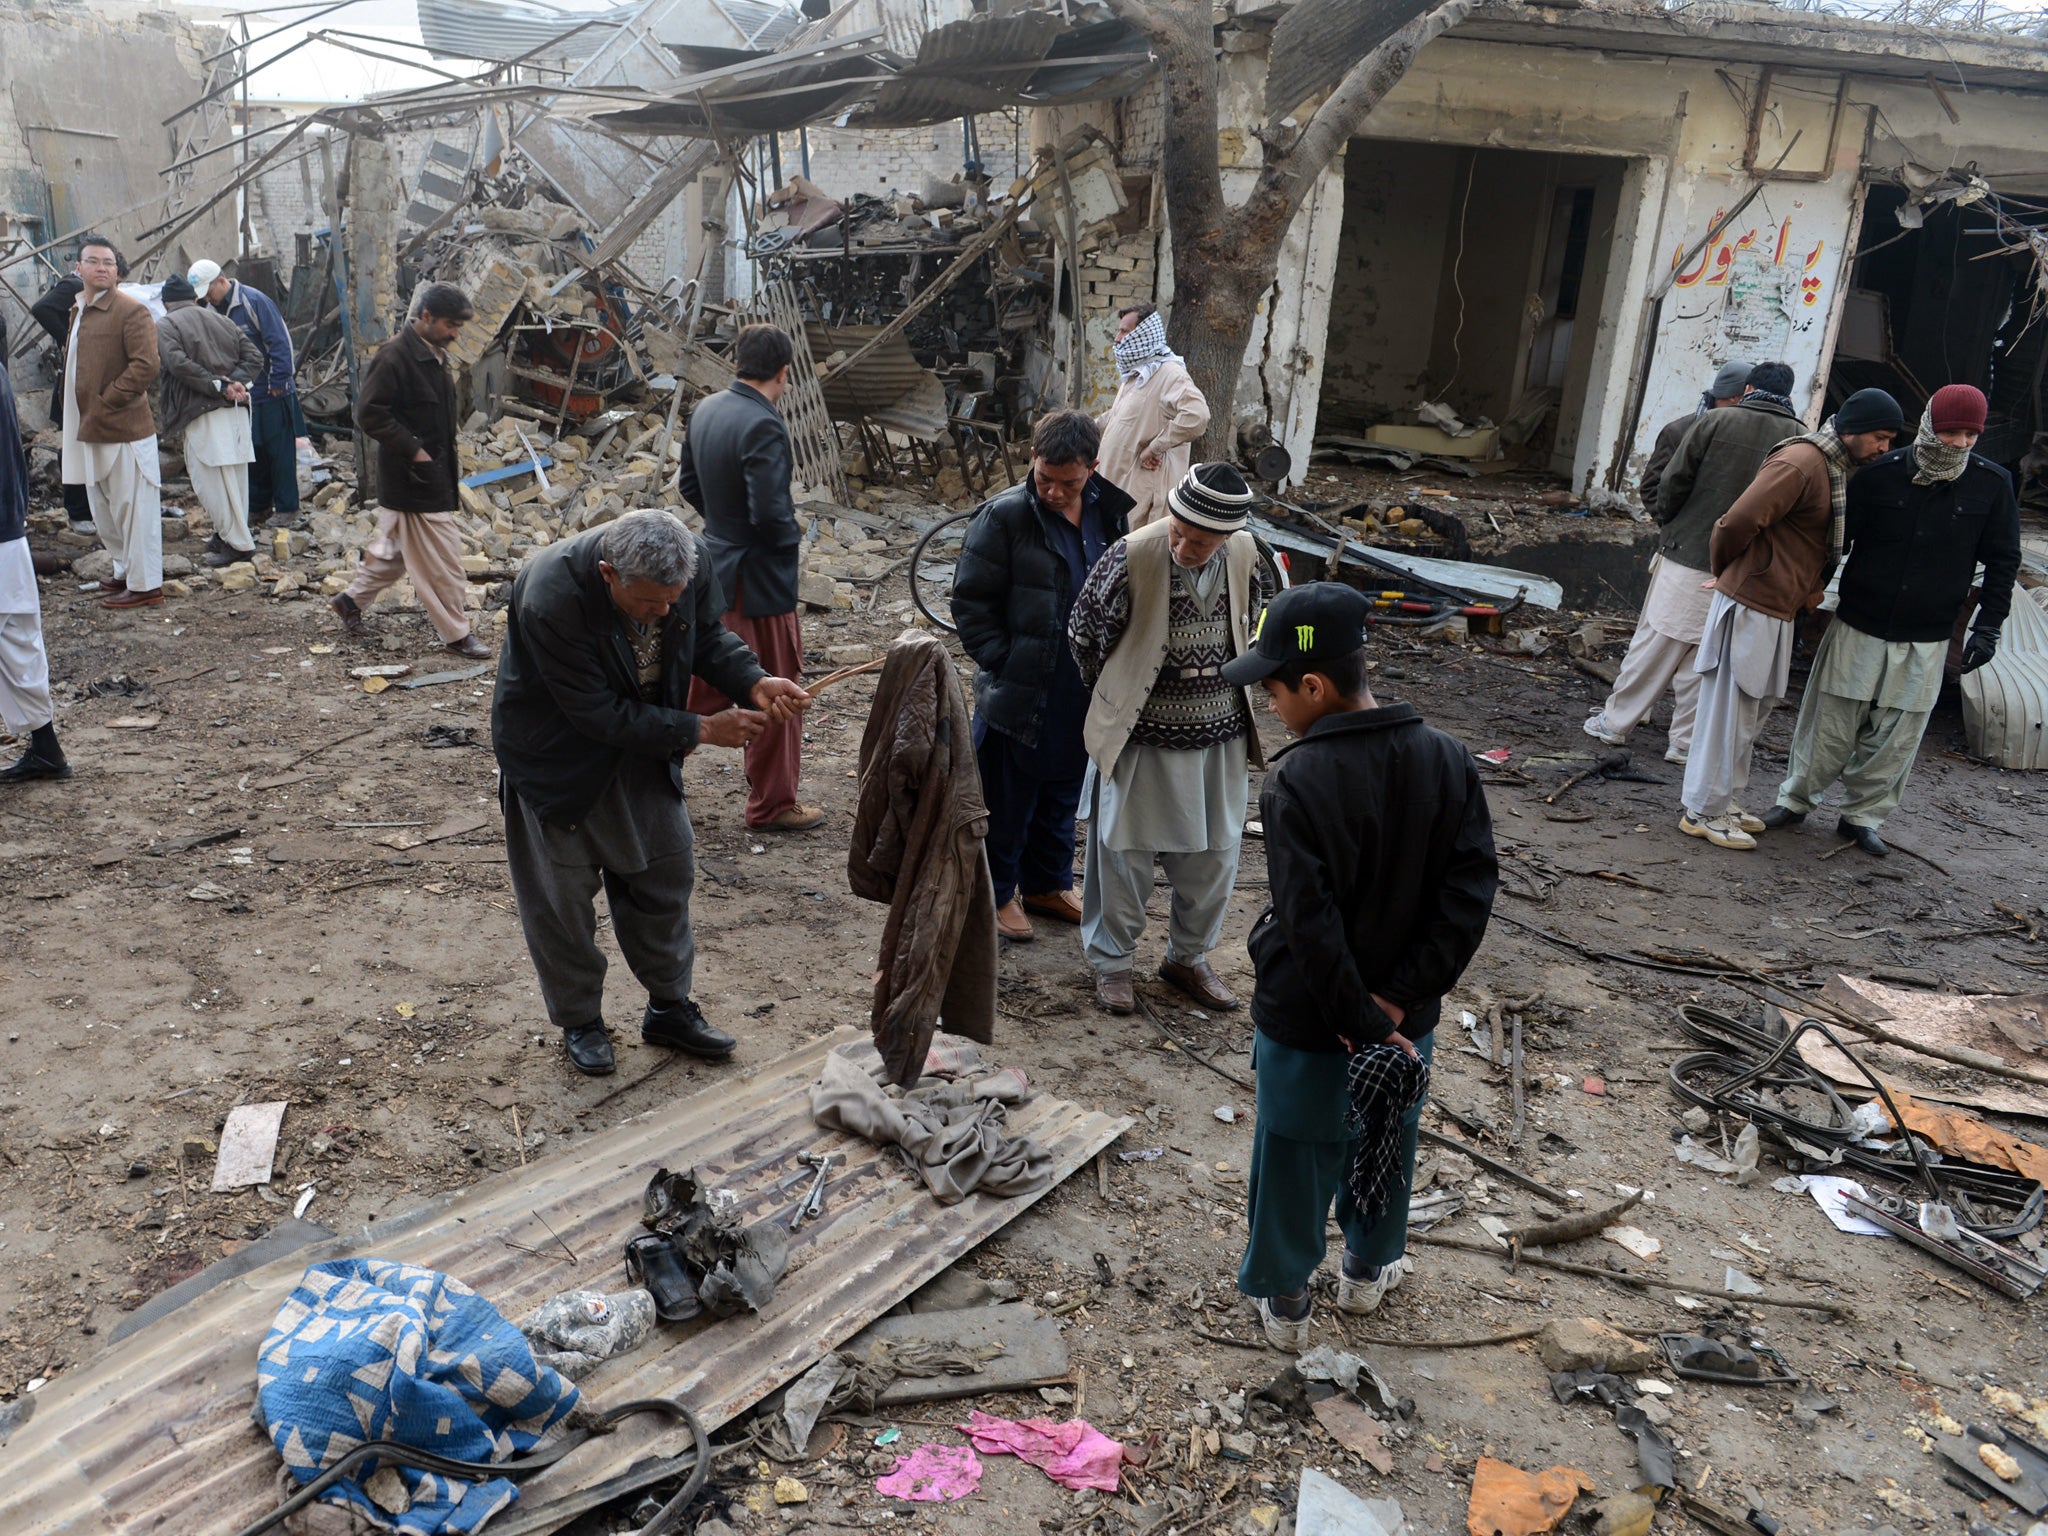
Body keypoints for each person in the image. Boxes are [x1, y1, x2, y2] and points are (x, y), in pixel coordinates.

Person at [1220, 582, 1496, 1348]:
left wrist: (1359, 1019)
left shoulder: (1299, 781)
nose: (1271, 705)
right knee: (1386, 1133)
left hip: (1314, 1020)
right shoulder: (1447, 759)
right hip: (1410, 1019)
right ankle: (1367, 1272)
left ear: (1313, 686)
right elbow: (1469, 894)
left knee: (1294, 1150)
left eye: (1273, 690)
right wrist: (1399, 1005)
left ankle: (1285, 1298)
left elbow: (1310, 925)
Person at [491, 509, 812, 1077]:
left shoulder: (692, 560)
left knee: (665, 875)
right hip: (557, 760)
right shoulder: (551, 593)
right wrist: (700, 730)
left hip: (643, 752)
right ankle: (580, 1020)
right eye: (648, 605)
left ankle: (668, 1007)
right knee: (561, 900)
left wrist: (753, 679)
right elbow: (593, 712)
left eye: (671, 600)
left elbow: (706, 634)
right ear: (609, 573)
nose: (662, 613)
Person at [1763, 385, 2021, 856]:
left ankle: (1861, 818)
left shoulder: (1992, 483)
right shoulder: (1878, 475)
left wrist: (1989, 625)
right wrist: (1805, 598)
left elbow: (2004, 561)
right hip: (1860, 621)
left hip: (1927, 634)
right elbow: (1833, 543)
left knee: (1896, 736)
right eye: (1951, 431)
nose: (1960, 443)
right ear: (1929, 425)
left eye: (1970, 434)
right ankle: (1795, 801)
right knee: (1830, 723)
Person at [1069, 462, 1266, 1015]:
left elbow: (1271, 619)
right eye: (1178, 530)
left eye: (1200, 542)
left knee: (1214, 861)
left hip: (1218, 738)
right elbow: (1083, 634)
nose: (1183, 545)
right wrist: (1120, 693)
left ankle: (1187, 958)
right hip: (1140, 739)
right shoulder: (1132, 553)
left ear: (1228, 537)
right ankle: (1112, 964)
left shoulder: (1251, 555)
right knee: (1121, 860)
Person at [1680, 387, 1904, 851]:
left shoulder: (1832, 467)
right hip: (1754, 601)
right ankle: (1703, 810)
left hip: (1777, 603)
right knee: (1730, 710)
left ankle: (1724, 799)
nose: (1885, 449)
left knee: (1752, 709)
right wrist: (1731, 574)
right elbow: (1735, 522)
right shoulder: (1803, 461)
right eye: (1880, 437)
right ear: (1853, 430)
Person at [951, 411, 1135, 942]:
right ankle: (997, 890)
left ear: (1092, 469)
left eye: (1069, 482)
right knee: (1008, 796)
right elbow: (970, 601)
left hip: (1081, 682)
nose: (1054, 492)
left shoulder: (1109, 511)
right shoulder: (1004, 516)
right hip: (1020, 685)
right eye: (1044, 479)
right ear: (1032, 461)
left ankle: (1048, 884)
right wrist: (1004, 660)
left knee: (1063, 788)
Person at [1586, 362, 1800, 763]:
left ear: (1749, 387)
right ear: (1790, 394)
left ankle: (1615, 723)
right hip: (1745, 569)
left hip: (1688, 553)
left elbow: (1671, 483)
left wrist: (1674, 526)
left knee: (1656, 643)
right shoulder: (1800, 438)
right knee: (1707, 657)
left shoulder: (1713, 422)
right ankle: (1684, 743)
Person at [676, 323, 823, 832]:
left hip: (714, 566)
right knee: (777, 688)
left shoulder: (707, 409)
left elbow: (688, 484)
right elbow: (770, 514)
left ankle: (649, 764)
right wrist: (790, 538)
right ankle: (773, 803)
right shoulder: (764, 423)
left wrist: (723, 529)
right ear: (785, 372)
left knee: (699, 681)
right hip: (758, 581)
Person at [333, 283, 491, 659]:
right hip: (413, 480)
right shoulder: (394, 357)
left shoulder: (435, 354)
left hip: (427, 476)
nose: (455, 334)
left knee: (392, 555)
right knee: (445, 563)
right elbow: (370, 415)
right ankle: (456, 633)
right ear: (425, 318)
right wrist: (415, 451)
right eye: (450, 325)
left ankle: (350, 601)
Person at [64, 236, 162, 610]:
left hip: (123, 427)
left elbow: (145, 366)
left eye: (109, 262)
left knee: (133, 508)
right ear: (78, 269)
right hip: (90, 427)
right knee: (104, 508)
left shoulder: (130, 310)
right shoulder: (80, 310)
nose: (102, 267)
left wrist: (108, 401)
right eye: (93, 261)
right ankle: (125, 570)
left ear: (118, 272)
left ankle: (146, 585)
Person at [155, 272, 264, 569]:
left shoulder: (166, 324)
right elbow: (255, 357)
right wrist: (236, 384)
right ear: (195, 298)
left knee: (210, 482)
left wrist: (219, 386)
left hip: (201, 410)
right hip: (236, 412)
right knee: (235, 481)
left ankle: (239, 544)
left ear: (166, 303)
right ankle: (226, 535)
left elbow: (176, 364)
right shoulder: (223, 319)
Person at [189, 259, 301, 528]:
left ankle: (287, 508)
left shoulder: (254, 301)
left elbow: (279, 341)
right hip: (242, 395)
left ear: (221, 281)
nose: (206, 297)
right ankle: (260, 505)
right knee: (253, 453)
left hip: (272, 391)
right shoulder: (210, 309)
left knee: (280, 452)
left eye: (209, 290)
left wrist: (279, 378)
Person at [0, 359, 67, 782]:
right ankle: (46, 748)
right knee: (16, 645)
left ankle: (47, 749)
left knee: (16, 645)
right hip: (9, 530)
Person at [1095, 304, 1209, 530]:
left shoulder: (1170, 374)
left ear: (1144, 334)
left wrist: (1155, 447)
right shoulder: (1137, 375)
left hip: (1141, 489)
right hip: (1117, 486)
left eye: (1125, 332)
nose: (1118, 339)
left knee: (1135, 553)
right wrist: (1080, 428)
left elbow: (1197, 416)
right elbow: (1119, 416)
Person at [1638, 360, 1752, 514]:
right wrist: (1674, 527)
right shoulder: (1678, 432)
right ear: (1736, 396)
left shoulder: (1745, 433)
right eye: (1752, 392)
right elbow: (1651, 488)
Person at [29, 263, 93, 533]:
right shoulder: (75, 286)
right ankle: (78, 511)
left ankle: (86, 509)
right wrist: (66, 338)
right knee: (75, 445)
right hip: (73, 382)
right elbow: (40, 308)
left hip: (80, 380)